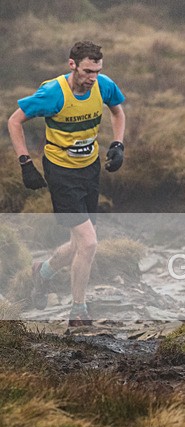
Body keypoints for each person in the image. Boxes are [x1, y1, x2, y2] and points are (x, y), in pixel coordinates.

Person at [8, 41, 126, 327]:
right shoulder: (52, 93)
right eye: (87, 70)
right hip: (61, 173)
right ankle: (79, 311)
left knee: (78, 244)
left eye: (97, 70)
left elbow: (118, 112)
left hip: (89, 170)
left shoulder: (104, 85)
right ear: (72, 64)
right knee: (89, 242)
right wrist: (25, 163)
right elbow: (14, 121)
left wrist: (118, 144)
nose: (92, 77)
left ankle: (43, 272)